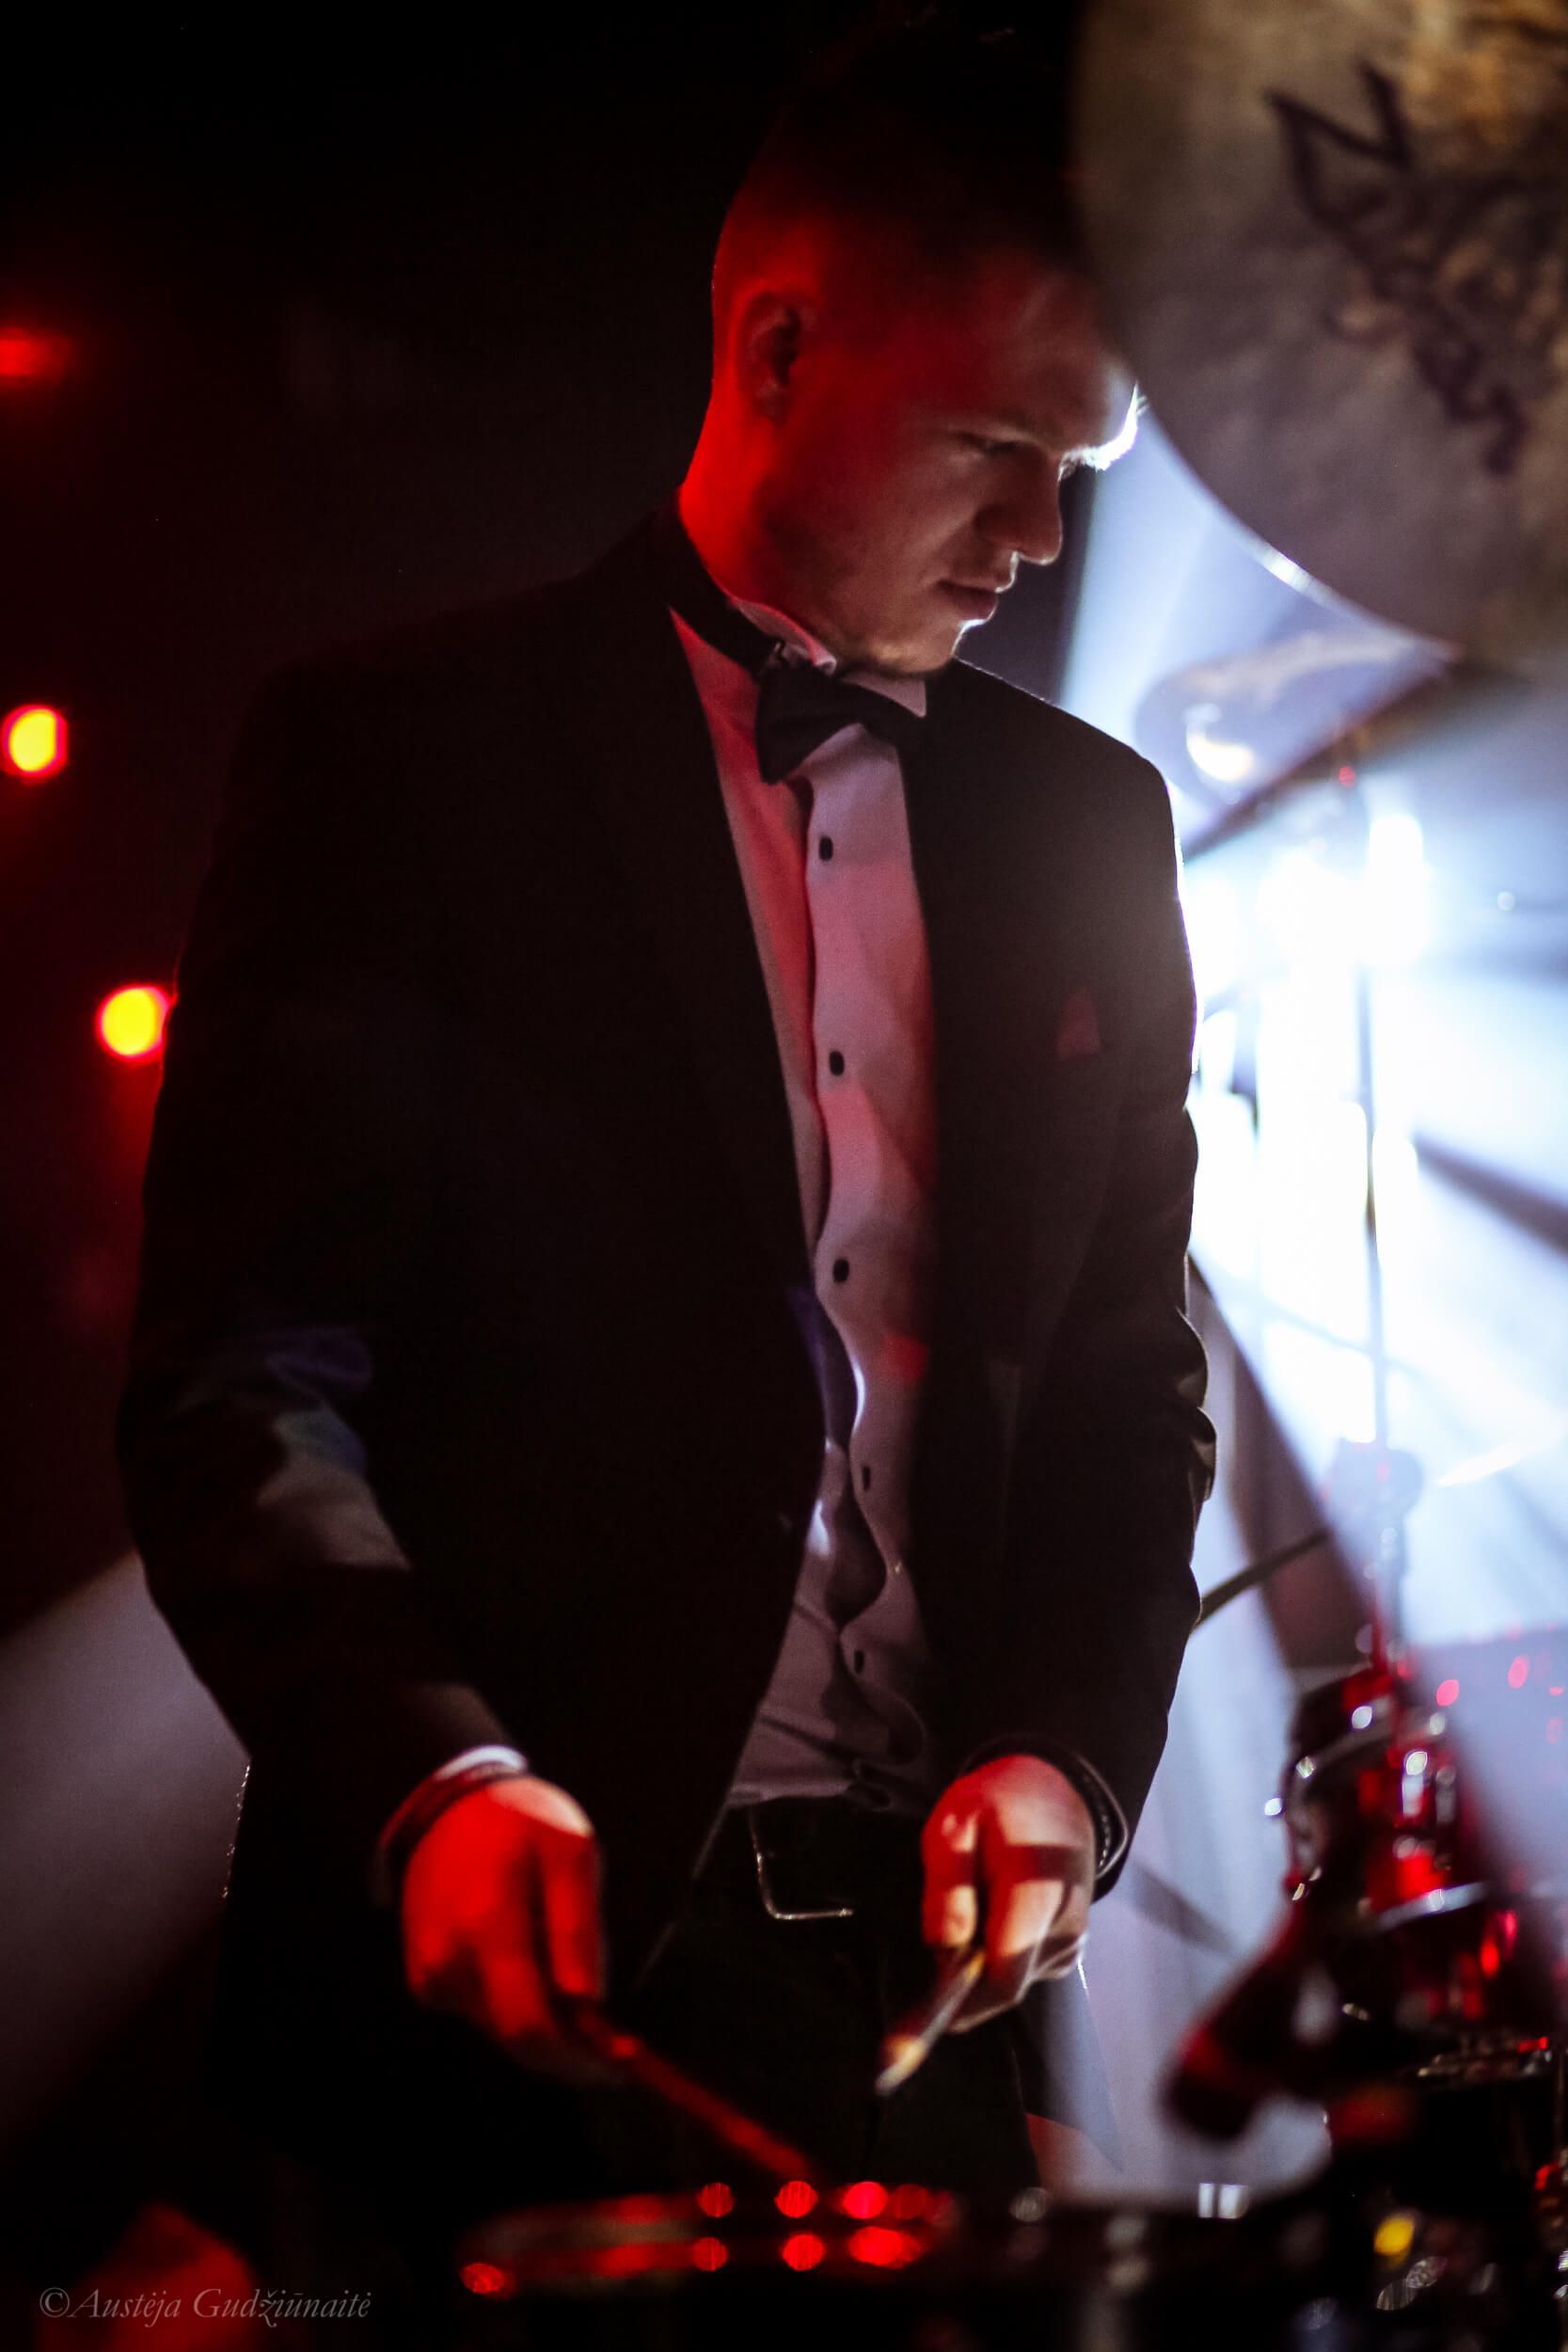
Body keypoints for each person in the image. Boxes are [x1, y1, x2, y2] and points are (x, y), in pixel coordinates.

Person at [116, 15, 1214, 2332]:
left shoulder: (1093, 825)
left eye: (1080, 471)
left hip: (918, 2022)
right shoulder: (396, 758)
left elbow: (1130, 1387)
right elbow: (241, 1378)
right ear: (779, 344)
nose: (1040, 538)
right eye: (1000, 446)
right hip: (487, 2015)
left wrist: (1068, 1762)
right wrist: (430, 1769)